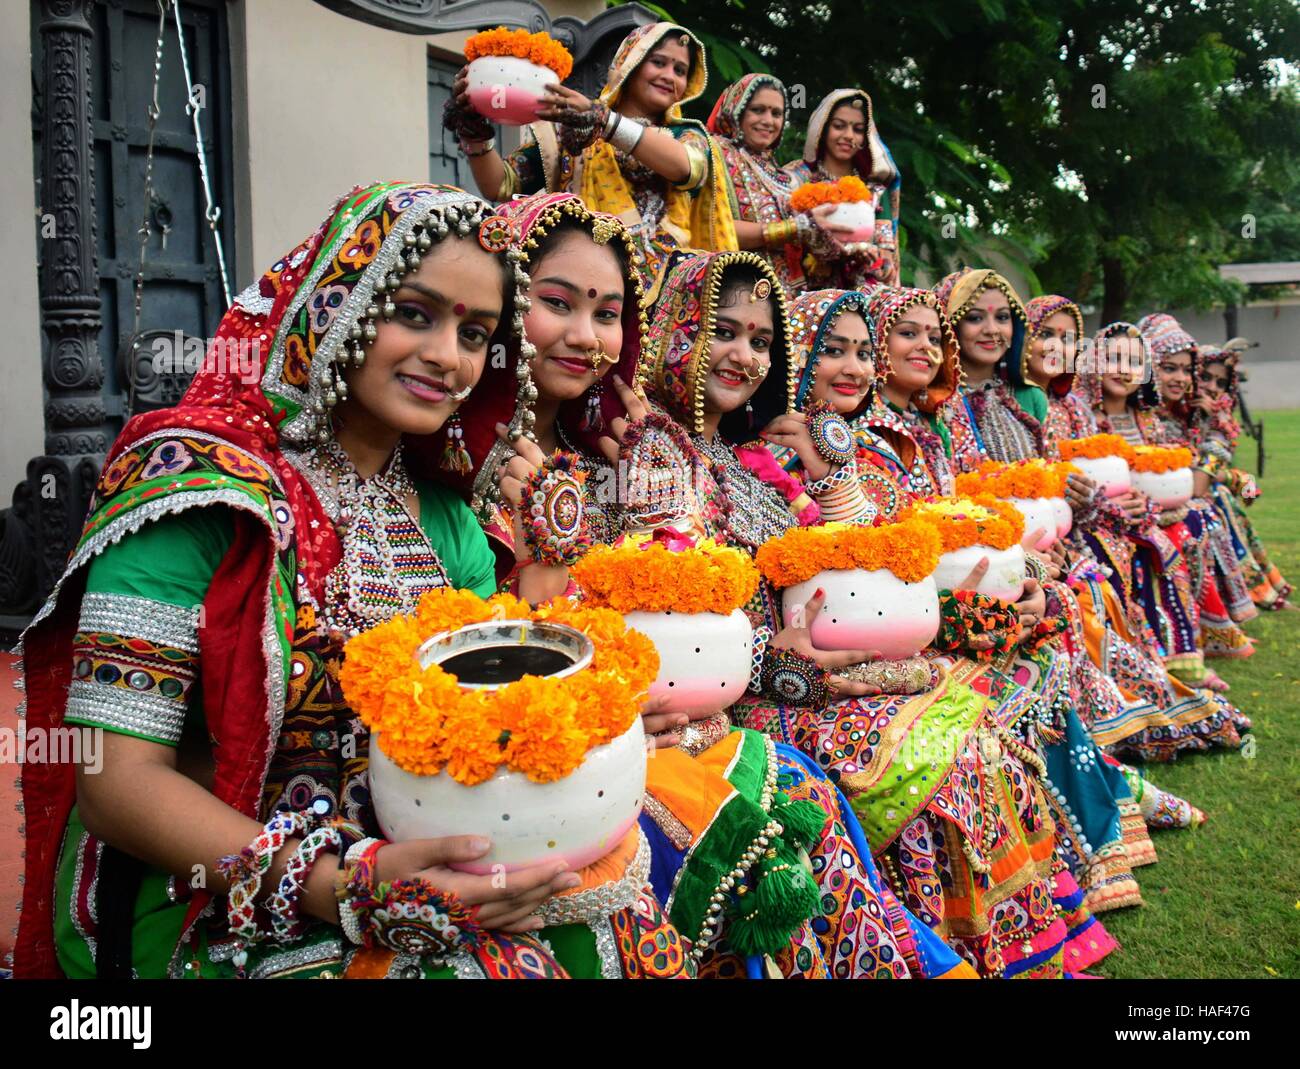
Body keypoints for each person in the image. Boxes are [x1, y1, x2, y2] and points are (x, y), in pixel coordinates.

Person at [14, 182, 692, 980]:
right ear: (333, 307)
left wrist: (590, 729)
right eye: (415, 313)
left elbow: (485, 715)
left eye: (476, 333)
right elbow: (117, 785)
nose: (448, 356)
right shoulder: (202, 495)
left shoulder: (446, 517)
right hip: (213, 890)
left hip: (417, 841)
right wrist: (345, 884)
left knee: (621, 904)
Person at [426, 194, 973, 979]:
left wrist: (829, 482)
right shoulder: (514, 465)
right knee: (790, 803)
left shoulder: (641, 448)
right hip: (602, 743)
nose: (585, 336)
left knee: (912, 736)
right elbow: (560, 639)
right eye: (555, 304)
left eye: (607, 312)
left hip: (711, 696)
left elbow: (787, 574)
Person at [443, 21, 736, 294]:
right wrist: (475, 133)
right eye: (658, 63)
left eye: (680, 70)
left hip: (665, 294)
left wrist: (603, 122)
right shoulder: (573, 129)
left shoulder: (687, 136)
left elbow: (687, 167)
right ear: (628, 65)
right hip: (580, 284)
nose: (668, 76)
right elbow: (501, 185)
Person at [706, 75, 854, 298]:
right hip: (731, 290)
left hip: (786, 301)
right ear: (736, 110)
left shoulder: (787, 177)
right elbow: (709, 226)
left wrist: (835, 243)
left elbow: (807, 247)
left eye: (776, 114)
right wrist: (796, 227)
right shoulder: (715, 153)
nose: (768, 120)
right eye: (758, 110)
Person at [785, 89, 901, 289]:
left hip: (862, 297)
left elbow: (887, 266)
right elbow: (784, 243)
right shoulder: (796, 179)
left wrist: (866, 256)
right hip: (805, 297)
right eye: (839, 126)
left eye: (857, 130)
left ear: (865, 138)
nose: (848, 136)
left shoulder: (874, 192)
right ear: (822, 129)